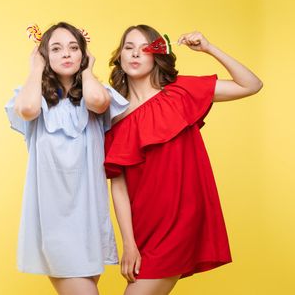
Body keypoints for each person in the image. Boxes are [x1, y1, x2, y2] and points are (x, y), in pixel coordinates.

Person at [105, 25, 263, 295]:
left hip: (180, 218)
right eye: (128, 47)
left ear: (157, 55)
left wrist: (209, 49)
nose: (134, 54)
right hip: (143, 225)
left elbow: (251, 84)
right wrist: (129, 243)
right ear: (119, 56)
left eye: (144, 48)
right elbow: (118, 184)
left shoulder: (182, 92)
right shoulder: (111, 113)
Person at [5, 22, 129, 295]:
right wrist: (35, 67)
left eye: (74, 48)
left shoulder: (93, 92)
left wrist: (88, 69)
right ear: (44, 55)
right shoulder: (33, 96)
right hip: (53, 220)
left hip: (89, 219)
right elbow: (26, 109)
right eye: (56, 49)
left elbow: (98, 101)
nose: (66, 54)